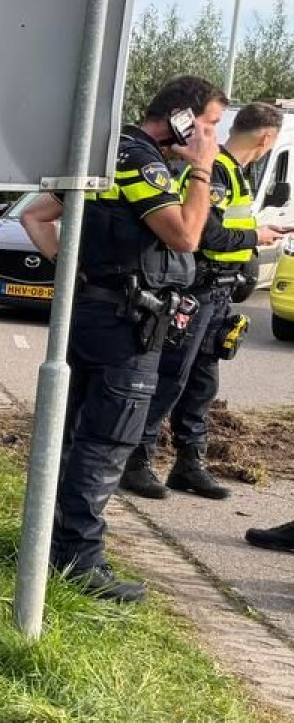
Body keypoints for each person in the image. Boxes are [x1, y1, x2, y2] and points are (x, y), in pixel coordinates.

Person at [19, 76, 225, 602]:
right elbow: (186, 235)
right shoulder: (142, 162)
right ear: (181, 120)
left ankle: (45, 544)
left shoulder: (107, 155)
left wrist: (73, 270)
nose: (212, 138)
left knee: (73, 435)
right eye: (208, 126)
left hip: (94, 314)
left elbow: (34, 216)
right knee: (107, 442)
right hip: (125, 326)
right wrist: (203, 167)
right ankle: (79, 561)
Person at [121, 101, 289, 501]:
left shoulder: (234, 171)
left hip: (219, 293)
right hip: (197, 290)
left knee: (202, 384)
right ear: (267, 138)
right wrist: (257, 237)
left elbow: (226, 225)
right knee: (171, 378)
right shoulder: (215, 170)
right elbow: (208, 236)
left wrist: (253, 236)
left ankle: (188, 463)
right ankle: (136, 461)